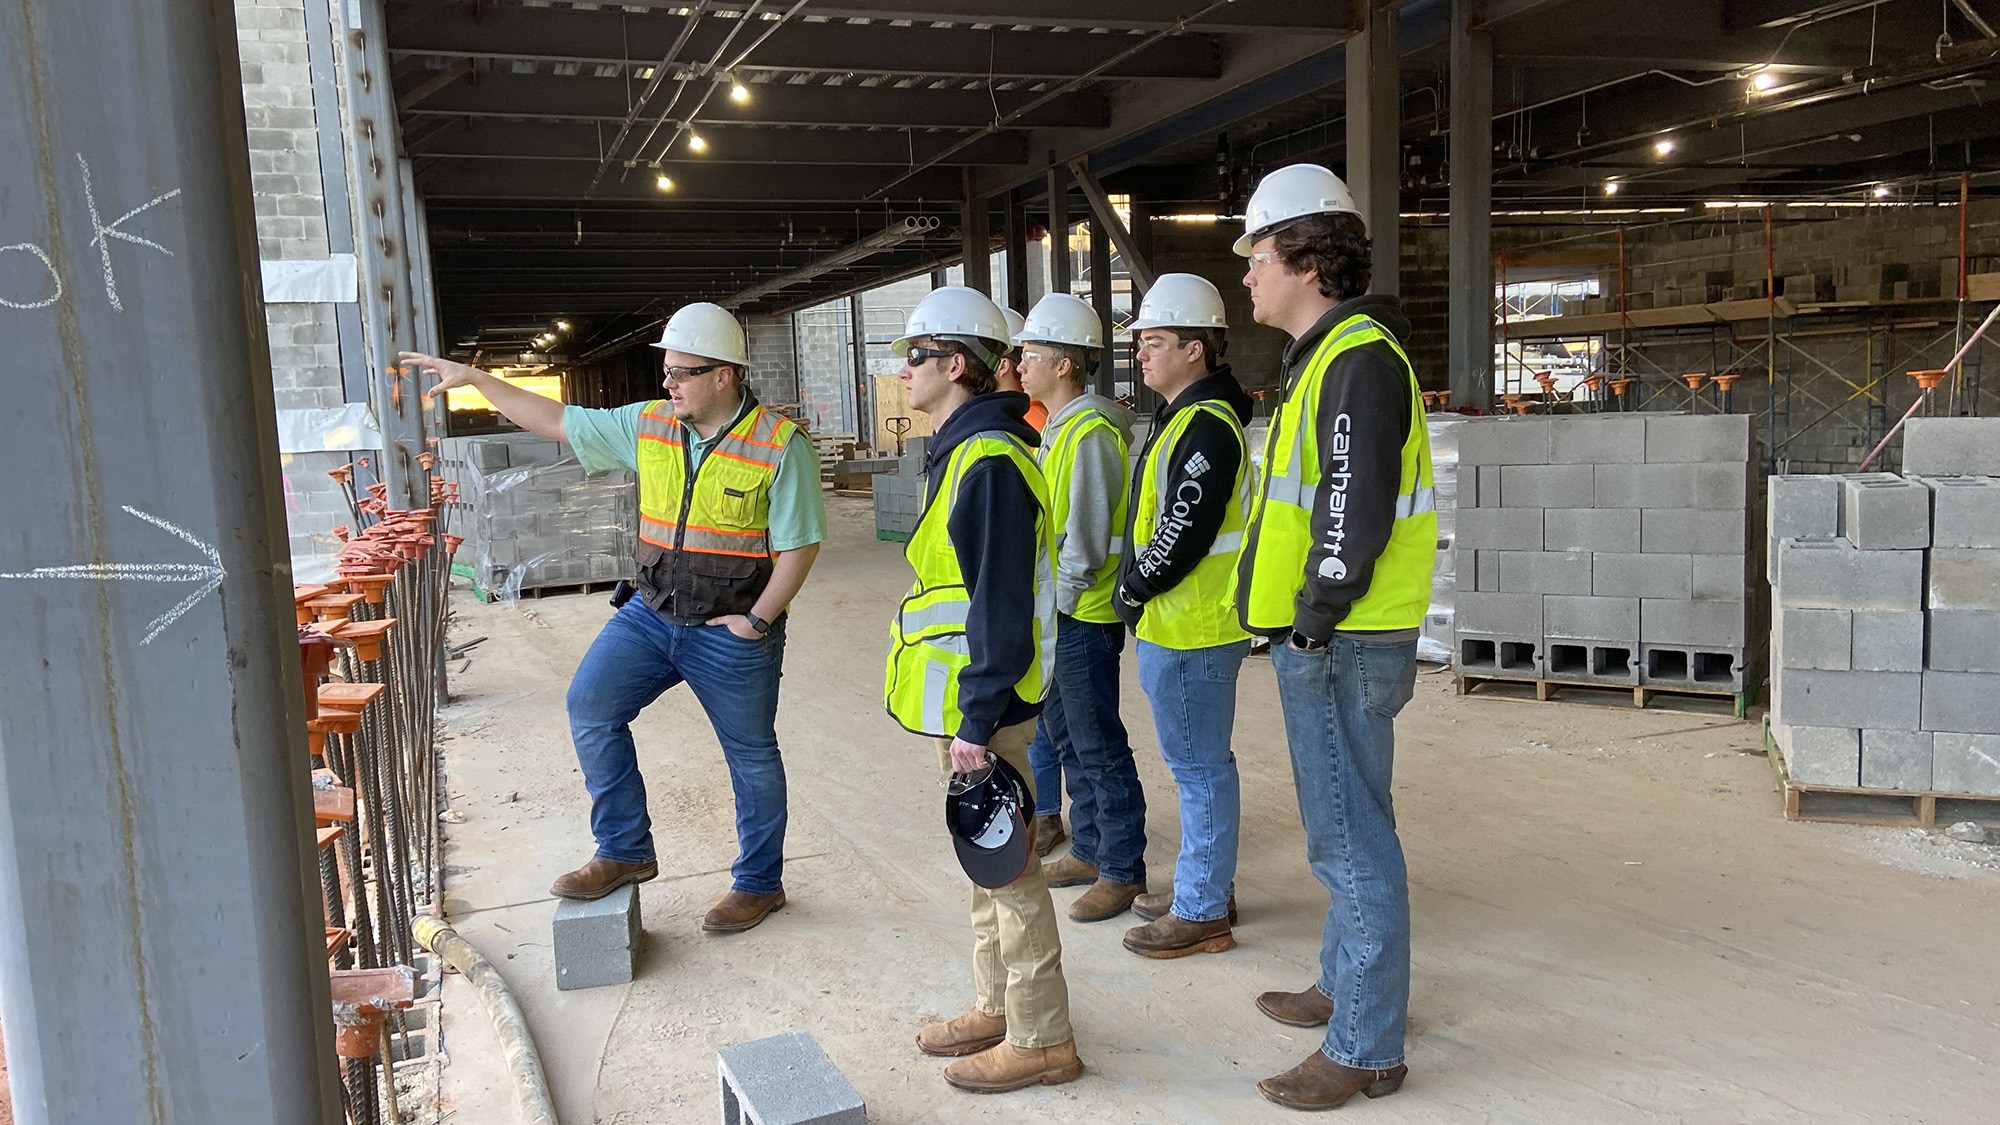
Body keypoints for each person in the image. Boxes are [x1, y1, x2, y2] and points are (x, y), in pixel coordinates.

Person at [398, 302, 825, 935]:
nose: (668, 382)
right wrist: (481, 381)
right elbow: (558, 419)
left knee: (751, 756)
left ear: (725, 375)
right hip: (650, 617)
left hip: (731, 633)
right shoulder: (649, 424)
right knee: (591, 707)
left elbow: (800, 545)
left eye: (683, 371)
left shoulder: (779, 447)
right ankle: (625, 849)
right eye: (668, 370)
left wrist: (757, 622)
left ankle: (759, 885)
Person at [1232, 164, 1435, 1110]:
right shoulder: (1327, 358)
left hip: (1340, 640)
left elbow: (1353, 508)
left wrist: (1311, 621)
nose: (1247, 276)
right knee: (1356, 824)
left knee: (1351, 843)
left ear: (1308, 258)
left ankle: (1365, 1045)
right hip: (1338, 637)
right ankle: (1342, 984)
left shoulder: (1355, 359)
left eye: (1257, 256)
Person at [882, 284, 1083, 1093]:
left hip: (987, 710)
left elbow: (999, 604)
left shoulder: (991, 461)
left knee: (1013, 870)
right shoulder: (964, 450)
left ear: (955, 364)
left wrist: (976, 716)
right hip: (969, 707)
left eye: (916, 356)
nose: (904, 371)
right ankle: (999, 1003)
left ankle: (1043, 1036)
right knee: (984, 860)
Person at [1108, 274, 1255, 960]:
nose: (1141, 352)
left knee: (1200, 770)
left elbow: (1183, 527)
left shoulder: (1205, 426)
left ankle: (1200, 909)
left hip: (1194, 623)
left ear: (1196, 349)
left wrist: (1134, 586)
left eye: (1155, 340)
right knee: (1197, 764)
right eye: (1140, 341)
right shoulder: (1183, 417)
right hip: (1181, 623)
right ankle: (1207, 884)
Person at [1012, 293, 1147, 923]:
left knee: (1098, 745)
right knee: (1067, 739)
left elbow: (1087, 538)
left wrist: (1058, 601)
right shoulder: (1059, 430)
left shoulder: (1089, 433)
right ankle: (1090, 848)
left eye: (1031, 354)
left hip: (1083, 615)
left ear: (1065, 364)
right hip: (1059, 613)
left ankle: (1122, 867)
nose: (1020, 364)